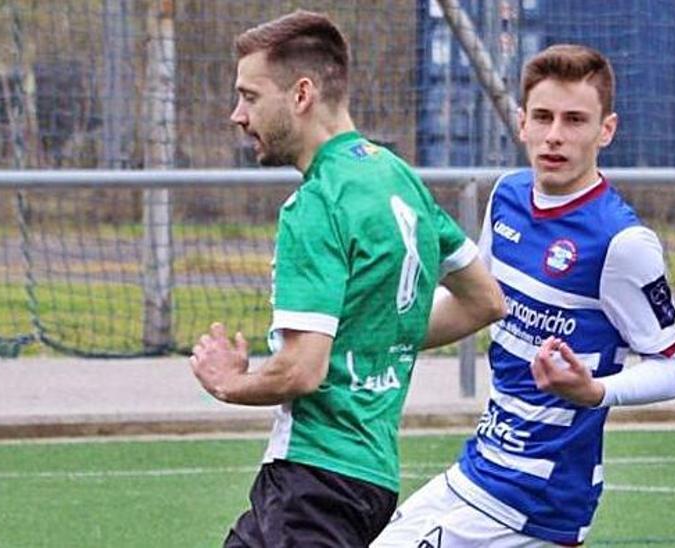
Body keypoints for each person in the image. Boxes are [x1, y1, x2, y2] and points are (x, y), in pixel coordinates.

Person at [188, 10, 506, 548]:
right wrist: (372, 333)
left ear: (301, 94)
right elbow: (485, 301)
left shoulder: (314, 204)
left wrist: (229, 383)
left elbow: (301, 371)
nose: (237, 114)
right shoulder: (399, 178)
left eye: (249, 95)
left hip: (312, 480)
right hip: (369, 478)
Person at [373, 44, 675, 547]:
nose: (555, 135)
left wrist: (596, 391)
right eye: (542, 117)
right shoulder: (507, 196)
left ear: (605, 130)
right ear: (521, 122)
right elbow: (476, 304)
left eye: (575, 120)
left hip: (536, 499)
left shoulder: (621, 243)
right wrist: (373, 338)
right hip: (481, 467)